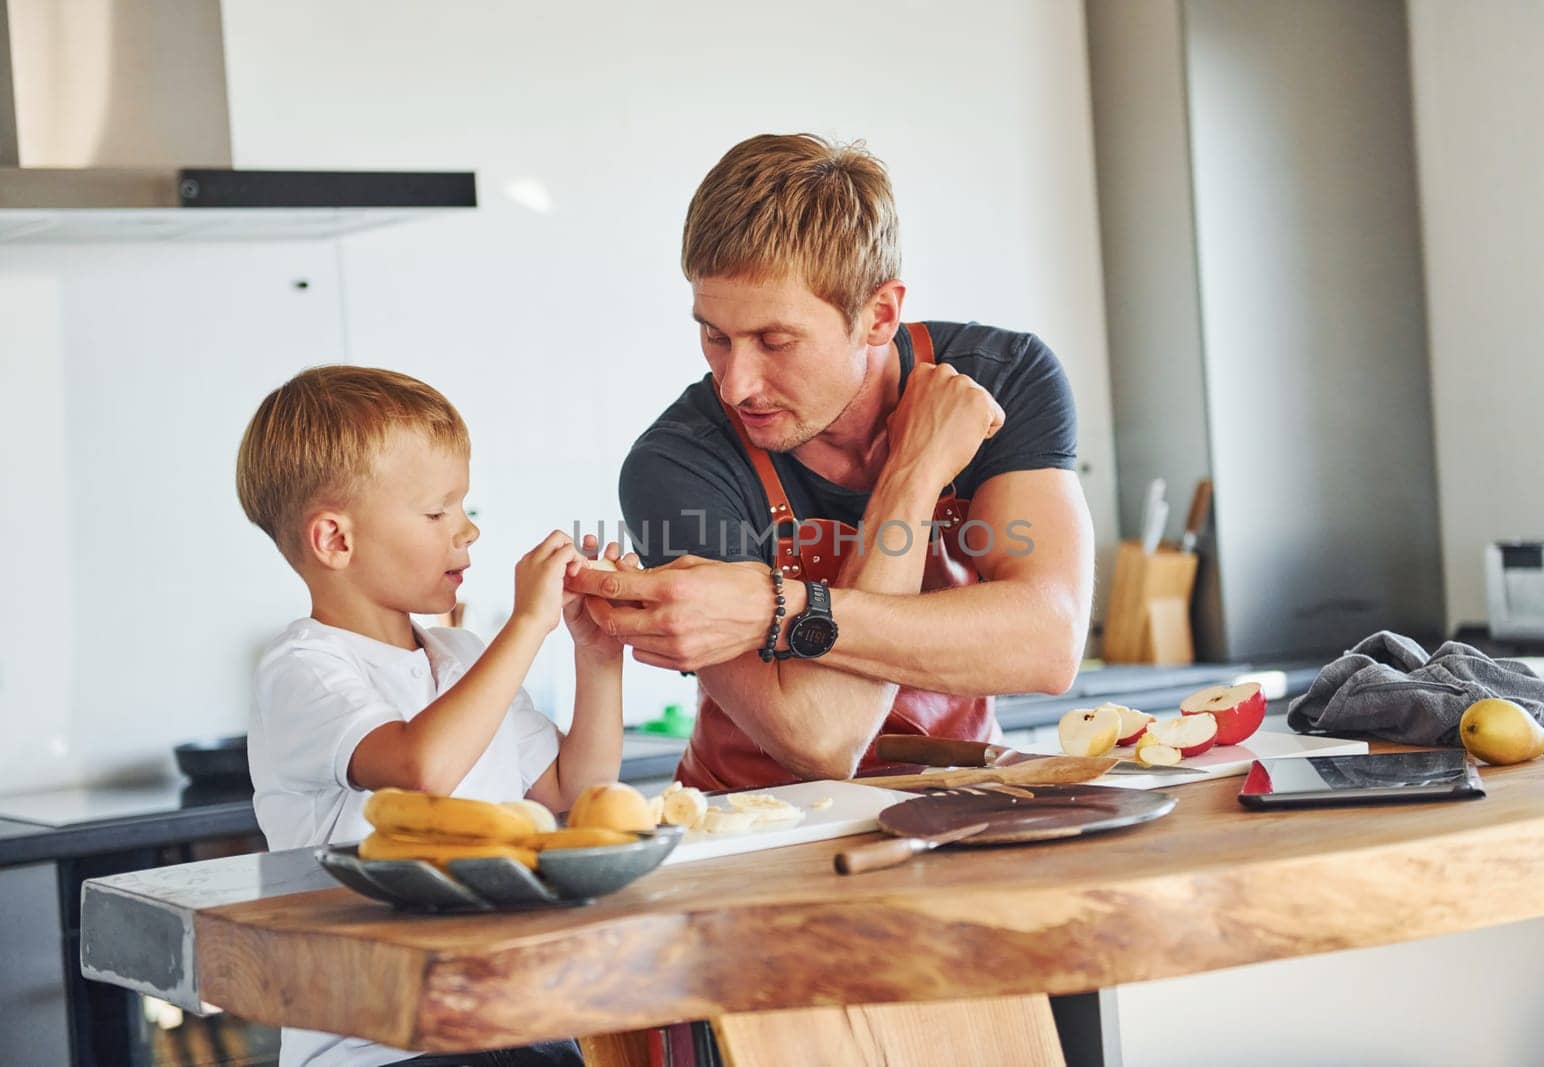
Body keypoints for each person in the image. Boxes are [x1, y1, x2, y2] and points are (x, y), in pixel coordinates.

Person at [568, 133, 1094, 790]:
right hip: (756, 833)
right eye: (715, 335)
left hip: (964, 807)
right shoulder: (676, 461)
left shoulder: (1005, 380)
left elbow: (1048, 645)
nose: (735, 384)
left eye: (775, 341)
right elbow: (822, 737)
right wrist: (915, 475)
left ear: (879, 314)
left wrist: (773, 605)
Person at [237, 366, 616, 1067]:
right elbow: (422, 767)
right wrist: (529, 623)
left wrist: (597, 655)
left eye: (464, 506)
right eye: (438, 512)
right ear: (335, 541)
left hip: (509, 1018)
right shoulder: (302, 669)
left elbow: (574, 786)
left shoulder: (463, 654)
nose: (467, 530)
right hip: (377, 1044)